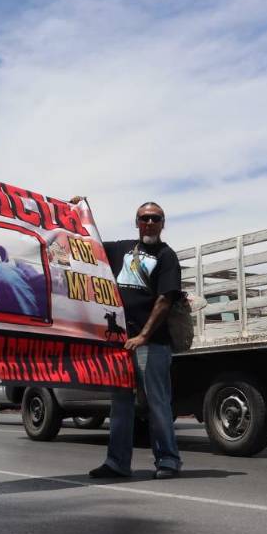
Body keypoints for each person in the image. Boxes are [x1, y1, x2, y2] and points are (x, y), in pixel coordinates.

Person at [81, 200, 184, 480]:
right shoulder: (121, 248)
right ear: (136, 223)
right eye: (144, 218)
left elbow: (165, 300)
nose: (149, 223)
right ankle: (117, 463)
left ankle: (168, 460)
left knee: (157, 403)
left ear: (163, 223)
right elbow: (89, 243)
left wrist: (143, 336)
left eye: (155, 218)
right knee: (121, 404)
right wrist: (79, 210)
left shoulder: (166, 256)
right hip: (120, 343)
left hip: (152, 344)